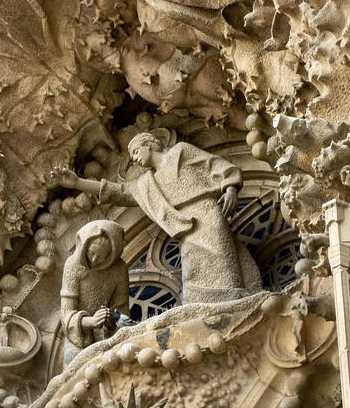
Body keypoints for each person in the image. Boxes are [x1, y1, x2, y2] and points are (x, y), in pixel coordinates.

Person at [125, 130, 261, 303]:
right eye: (132, 157)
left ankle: (234, 301)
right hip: (186, 228)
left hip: (206, 213)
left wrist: (231, 189)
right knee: (193, 271)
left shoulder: (179, 151)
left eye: (136, 152)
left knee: (222, 261)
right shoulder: (148, 182)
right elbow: (124, 193)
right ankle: (204, 307)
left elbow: (212, 164)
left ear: (149, 145)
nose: (135, 159)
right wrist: (88, 185)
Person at [59, 219, 130, 364]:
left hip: (106, 333)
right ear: (84, 246)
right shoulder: (73, 265)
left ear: (112, 254)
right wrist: (91, 321)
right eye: (91, 252)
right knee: (75, 363)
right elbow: (66, 314)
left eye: (102, 256)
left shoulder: (119, 269)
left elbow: (122, 313)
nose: (94, 259)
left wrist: (110, 317)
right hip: (80, 336)